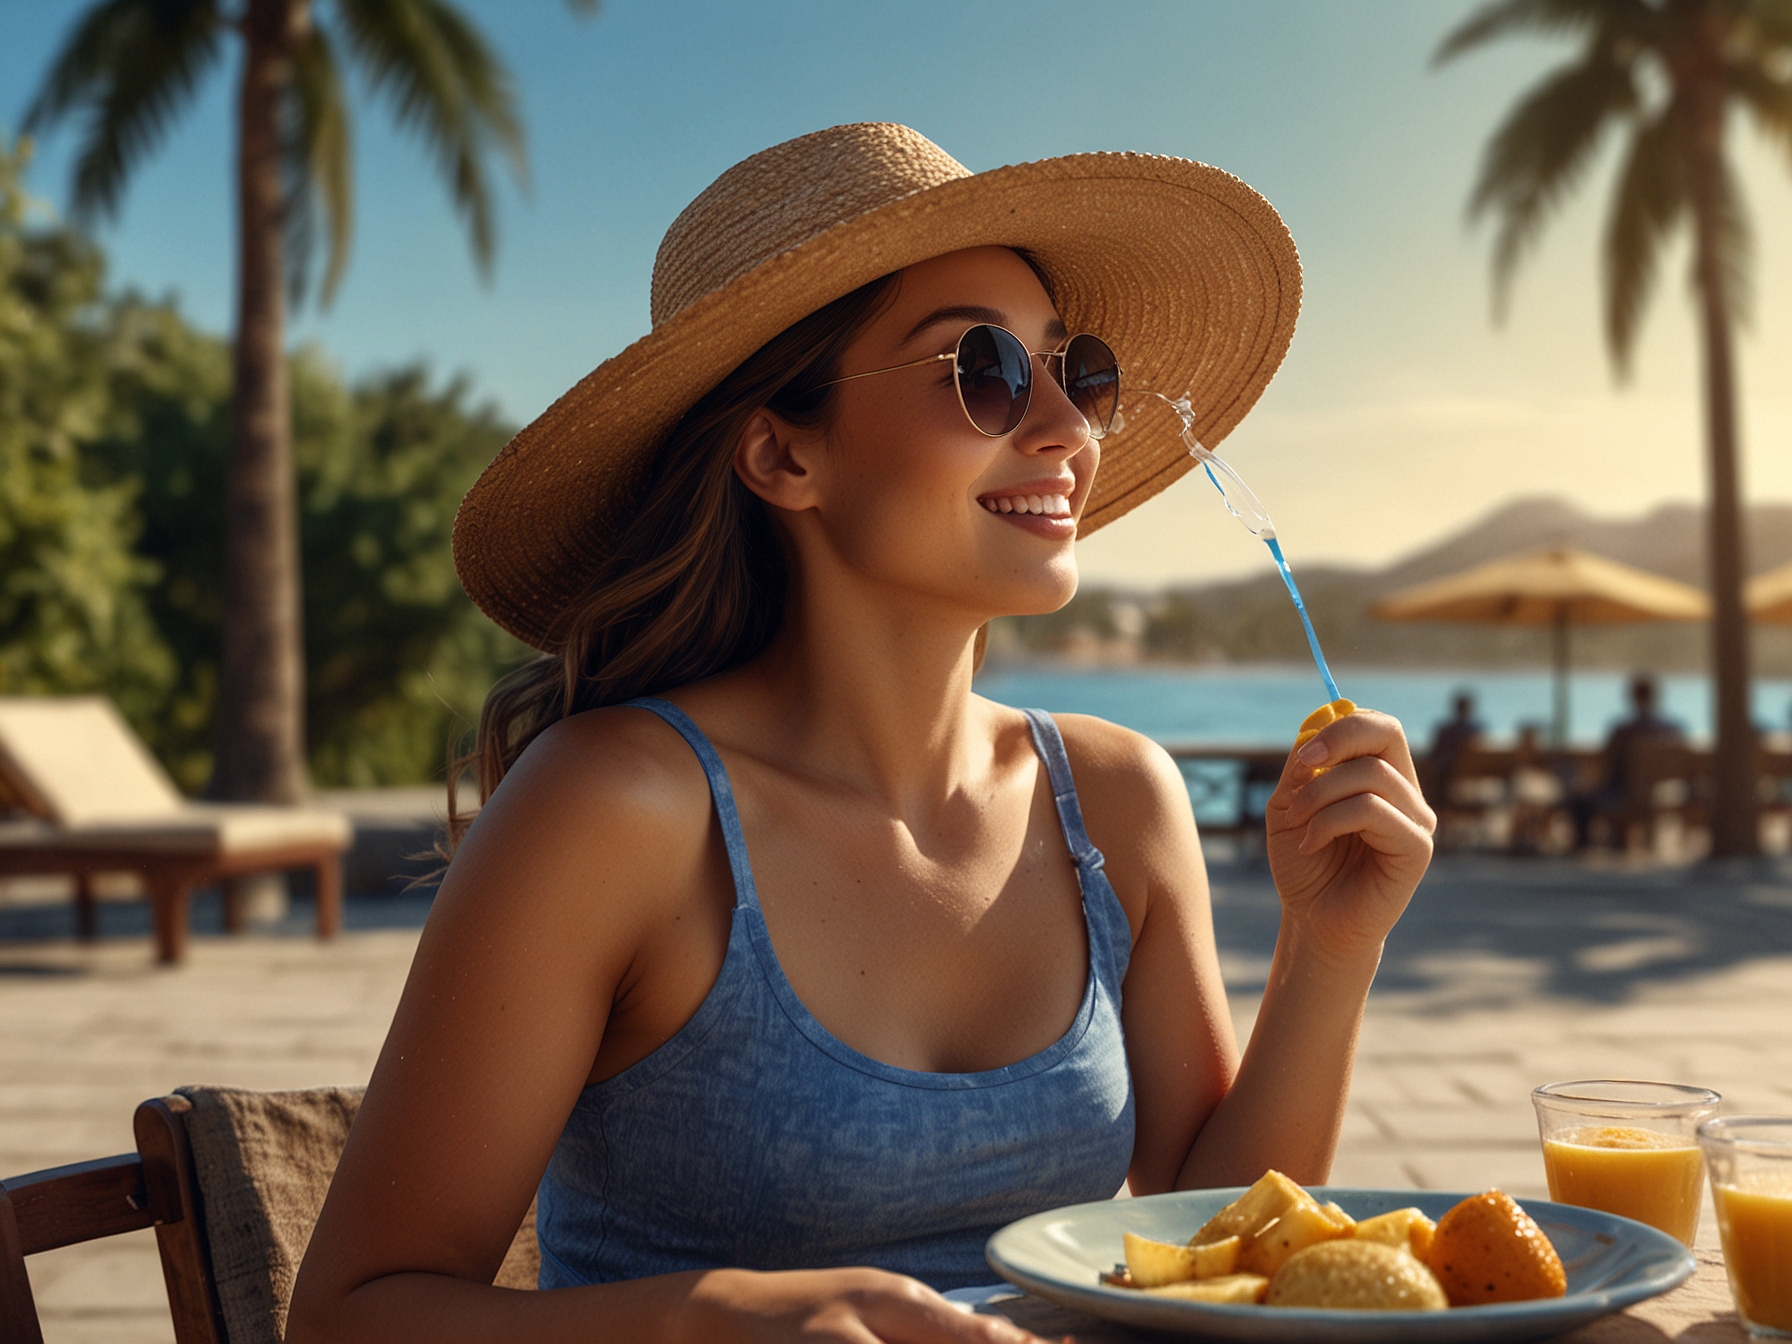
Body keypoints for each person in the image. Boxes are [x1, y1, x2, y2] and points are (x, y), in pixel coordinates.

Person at [288, 124, 1435, 1344]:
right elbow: (352, 1316)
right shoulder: (619, 809)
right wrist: (716, 1321)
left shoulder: (1114, 800)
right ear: (783, 453)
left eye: (1074, 367)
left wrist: (1328, 946)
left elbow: (1224, 1242)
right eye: (982, 368)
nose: (1066, 427)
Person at [1570, 674, 1686, 850]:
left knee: (1578, 801)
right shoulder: (1673, 729)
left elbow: (1606, 763)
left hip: (1625, 794)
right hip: (1662, 793)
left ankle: (1583, 846)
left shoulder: (1623, 730)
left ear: (1632, 697)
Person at [1420, 691, 1484, 805]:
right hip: (1473, 777)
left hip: (1448, 775)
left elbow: (1434, 753)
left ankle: (1434, 805)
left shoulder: (1446, 730)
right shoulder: (1477, 730)